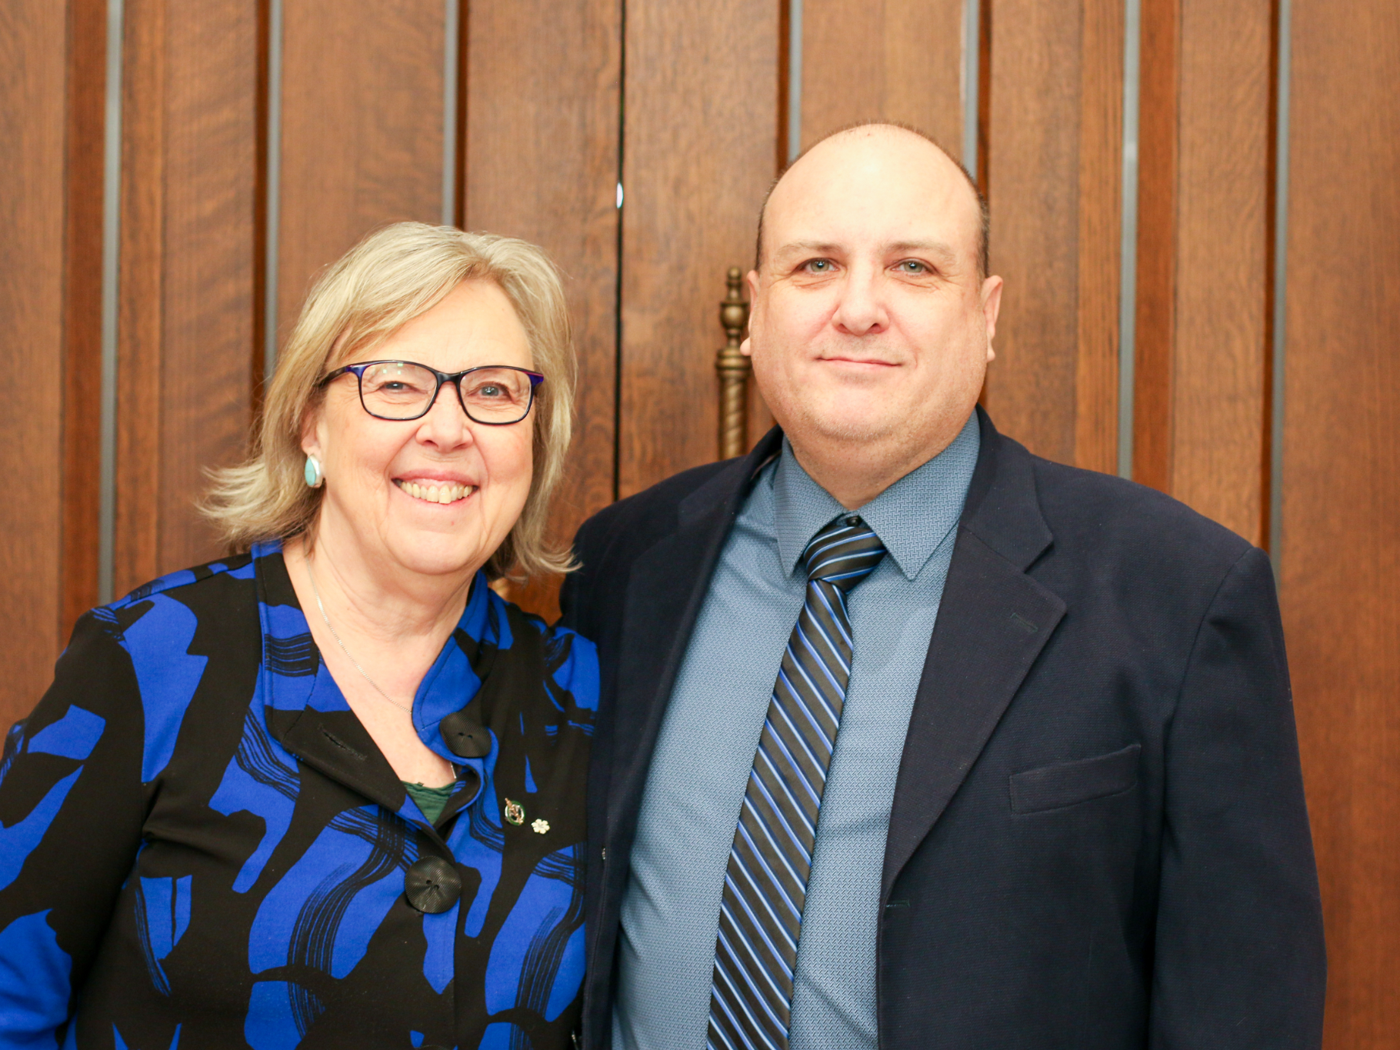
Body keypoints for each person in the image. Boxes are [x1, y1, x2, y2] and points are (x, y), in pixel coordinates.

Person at [560, 124, 1326, 1050]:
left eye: (914, 268)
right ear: (756, 310)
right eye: (815, 267)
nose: (859, 308)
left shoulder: (1179, 595)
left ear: (988, 312)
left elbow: (1242, 1011)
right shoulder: (623, 564)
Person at [0, 222, 596, 1050]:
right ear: (310, 424)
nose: (450, 428)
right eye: (396, 384)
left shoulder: (581, 696)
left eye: (493, 392)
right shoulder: (153, 657)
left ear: (535, 438)